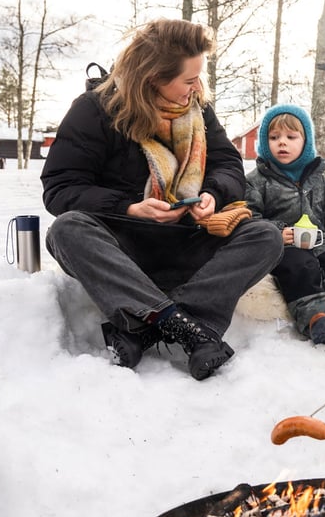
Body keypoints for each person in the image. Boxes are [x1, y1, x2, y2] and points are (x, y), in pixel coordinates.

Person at [42, 19, 283, 380]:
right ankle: (188, 328)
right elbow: (60, 187)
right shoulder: (94, 110)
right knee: (66, 230)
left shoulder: (199, 111)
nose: (197, 87)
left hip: (188, 241)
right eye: (189, 80)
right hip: (124, 251)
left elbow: (229, 166)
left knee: (266, 236)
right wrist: (128, 207)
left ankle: (145, 324)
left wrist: (212, 194)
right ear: (154, 76)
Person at [245, 104, 325, 344]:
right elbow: (250, 217)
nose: (282, 143)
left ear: (306, 141)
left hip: (321, 241)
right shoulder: (257, 181)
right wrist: (278, 232)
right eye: (274, 137)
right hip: (286, 247)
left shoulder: (317, 179)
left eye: (291, 137)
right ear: (264, 141)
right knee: (301, 265)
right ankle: (317, 318)